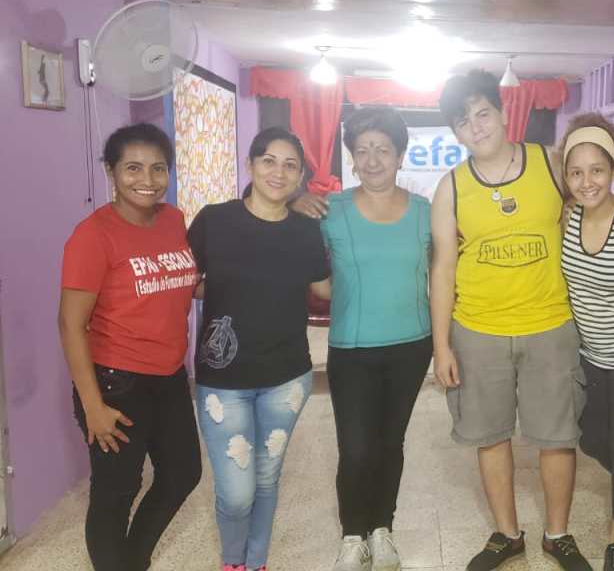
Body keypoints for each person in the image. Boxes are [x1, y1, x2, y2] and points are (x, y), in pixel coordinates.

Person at [430, 69, 591, 571]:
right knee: (490, 435)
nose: (476, 127)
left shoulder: (552, 163)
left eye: (483, 114)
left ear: (503, 113)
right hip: (478, 330)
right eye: (463, 122)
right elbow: (443, 268)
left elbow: (595, 203)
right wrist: (441, 345)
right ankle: (507, 534)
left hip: (551, 325)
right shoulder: (451, 188)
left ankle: (558, 534)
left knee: (557, 437)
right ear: (455, 133)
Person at [59, 122, 202, 571]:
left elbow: (182, 281)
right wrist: (93, 406)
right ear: (111, 171)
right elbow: (70, 324)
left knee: (183, 473)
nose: (148, 179)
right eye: (133, 168)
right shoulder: (94, 234)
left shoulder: (173, 219)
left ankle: (132, 562)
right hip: (115, 382)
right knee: (116, 492)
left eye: (158, 168)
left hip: (170, 375)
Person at [188, 127, 331, 571]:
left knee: (267, 478)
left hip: (286, 377)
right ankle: (233, 560)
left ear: (301, 176)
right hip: (222, 380)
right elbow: (187, 282)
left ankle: (256, 562)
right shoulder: (214, 220)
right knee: (237, 492)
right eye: (269, 160)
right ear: (250, 164)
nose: (278, 172)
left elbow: (323, 288)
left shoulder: (305, 230)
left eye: (291, 165)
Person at [322, 107, 433, 571]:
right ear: (352, 157)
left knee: (390, 443)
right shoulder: (330, 210)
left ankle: (382, 528)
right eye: (362, 150)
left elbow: (445, 273)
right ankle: (353, 534)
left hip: (412, 345)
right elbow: (314, 279)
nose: (372, 160)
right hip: (352, 348)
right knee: (356, 447)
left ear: (400, 155)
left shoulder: (426, 212)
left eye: (383, 150)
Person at [558, 113, 614, 571]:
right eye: (576, 172)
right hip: (586, 357)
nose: (586, 181)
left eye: (597, 170)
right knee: (593, 441)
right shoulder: (566, 217)